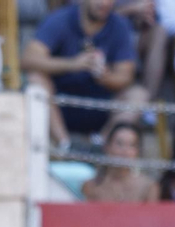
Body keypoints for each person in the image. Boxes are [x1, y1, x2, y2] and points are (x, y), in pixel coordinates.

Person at [23, 0, 148, 148]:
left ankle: (100, 147)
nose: (104, 3)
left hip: (101, 105)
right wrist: (72, 64)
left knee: (138, 95)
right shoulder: (60, 19)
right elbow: (28, 60)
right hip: (61, 104)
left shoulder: (119, 25)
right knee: (36, 78)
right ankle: (65, 145)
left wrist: (105, 76)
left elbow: (126, 76)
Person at [82, 122, 162, 202]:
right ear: (107, 147)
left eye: (131, 145)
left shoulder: (148, 187)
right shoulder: (91, 186)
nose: (125, 151)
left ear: (137, 151)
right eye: (119, 144)